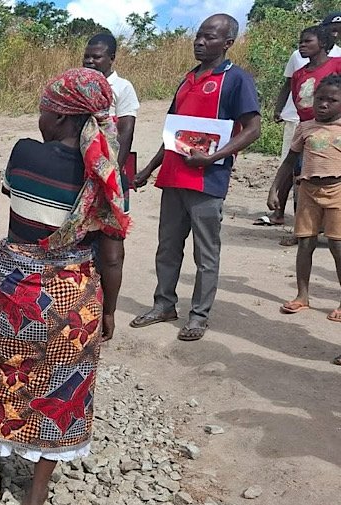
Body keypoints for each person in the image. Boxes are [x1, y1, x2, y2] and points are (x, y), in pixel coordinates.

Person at [0, 68, 128, 505]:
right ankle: (36, 497)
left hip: (19, 293)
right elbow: (113, 254)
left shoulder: (24, 154)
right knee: (64, 391)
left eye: (44, 110)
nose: (40, 117)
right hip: (75, 301)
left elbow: (18, 202)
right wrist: (111, 313)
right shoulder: (104, 178)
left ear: (61, 117)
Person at [131, 14, 261, 342]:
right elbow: (173, 133)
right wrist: (149, 168)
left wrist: (215, 157)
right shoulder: (187, 78)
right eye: (199, 36)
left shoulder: (236, 80)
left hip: (208, 180)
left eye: (210, 37)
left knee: (206, 253)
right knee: (168, 247)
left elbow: (253, 129)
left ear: (228, 42)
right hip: (174, 178)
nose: (200, 42)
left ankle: (199, 315)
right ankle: (164, 305)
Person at [268, 75, 341, 322]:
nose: (324, 104)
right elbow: (290, 161)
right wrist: (275, 188)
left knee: (337, 246)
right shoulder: (305, 127)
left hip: (338, 191)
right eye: (320, 99)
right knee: (305, 243)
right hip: (308, 191)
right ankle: (302, 295)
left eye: (332, 100)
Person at [260, 12, 341, 228]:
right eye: (300, 42)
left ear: (323, 43)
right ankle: (303, 227)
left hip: (333, 131)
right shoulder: (299, 73)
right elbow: (297, 98)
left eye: (308, 42)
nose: (302, 46)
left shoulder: (337, 64)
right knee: (302, 176)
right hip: (306, 129)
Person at [84, 32, 139, 213]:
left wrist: (114, 171)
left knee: (111, 219)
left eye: (96, 57)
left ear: (111, 58)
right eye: (87, 56)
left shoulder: (123, 87)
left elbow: (125, 132)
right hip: (83, 162)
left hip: (111, 161)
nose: (89, 61)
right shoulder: (80, 83)